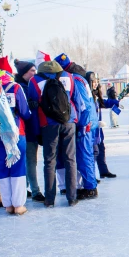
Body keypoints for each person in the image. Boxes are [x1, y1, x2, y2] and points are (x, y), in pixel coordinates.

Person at [28, 59, 79, 207]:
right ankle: (72, 197)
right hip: (68, 121)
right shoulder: (69, 77)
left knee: (50, 161)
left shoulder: (35, 81)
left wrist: (37, 132)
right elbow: (74, 99)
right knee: (70, 159)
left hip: (48, 124)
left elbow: (34, 106)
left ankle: (50, 199)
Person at [54, 53, 98, 200]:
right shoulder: (80, 78)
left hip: (85, 123)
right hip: (88, 121)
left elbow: (83, 105)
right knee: (86, 155)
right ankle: (89, 185)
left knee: (84, 155)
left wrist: (84, 123)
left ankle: (90, 187)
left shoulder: (76, 80)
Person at [0, 57, 30, 215]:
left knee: (1, 168)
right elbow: (25, 112)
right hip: (16, 133)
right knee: (18, 167)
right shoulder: (15, 88)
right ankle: (18, 205)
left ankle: (7, 205)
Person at [14, 58, 44, 202]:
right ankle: (35, 190)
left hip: (31, 129)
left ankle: (25, 187)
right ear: (24, 72)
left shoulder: (27, 86)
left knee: (29, 161)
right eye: (32, 70)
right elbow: (23, 111)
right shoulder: (20, 88)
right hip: (27, 130)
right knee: (31, 161)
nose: (34, 73)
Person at [86, 71, 118, 178]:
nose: (95, 84)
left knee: (101, 149)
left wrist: (114, 101)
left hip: (98, 129)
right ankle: (91, 175)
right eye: (93, 82)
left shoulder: (95, 95)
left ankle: (103, 170)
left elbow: (103, 103)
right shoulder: (87, 95)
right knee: (93, 152)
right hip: (90, 129)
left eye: (96, 82)